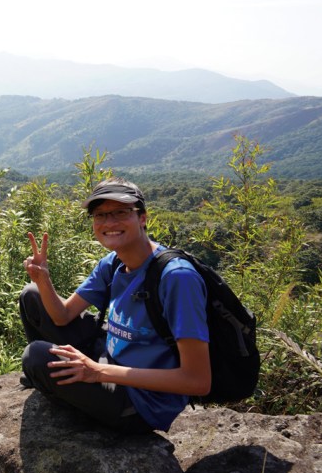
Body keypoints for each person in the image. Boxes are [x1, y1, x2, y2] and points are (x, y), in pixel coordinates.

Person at [19, 178, 211, 433]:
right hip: (110, 360)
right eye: (100, 215)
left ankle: (58, 386)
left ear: (142, 218)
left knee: (36, 356)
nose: (109, 223)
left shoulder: (176, 278)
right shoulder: (113, 263)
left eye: (121, 212)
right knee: (32, 295)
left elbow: (198, 381)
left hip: (140, 400)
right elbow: (62, 316)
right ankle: (59, 383)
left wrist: (97, 371)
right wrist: (43, 280)